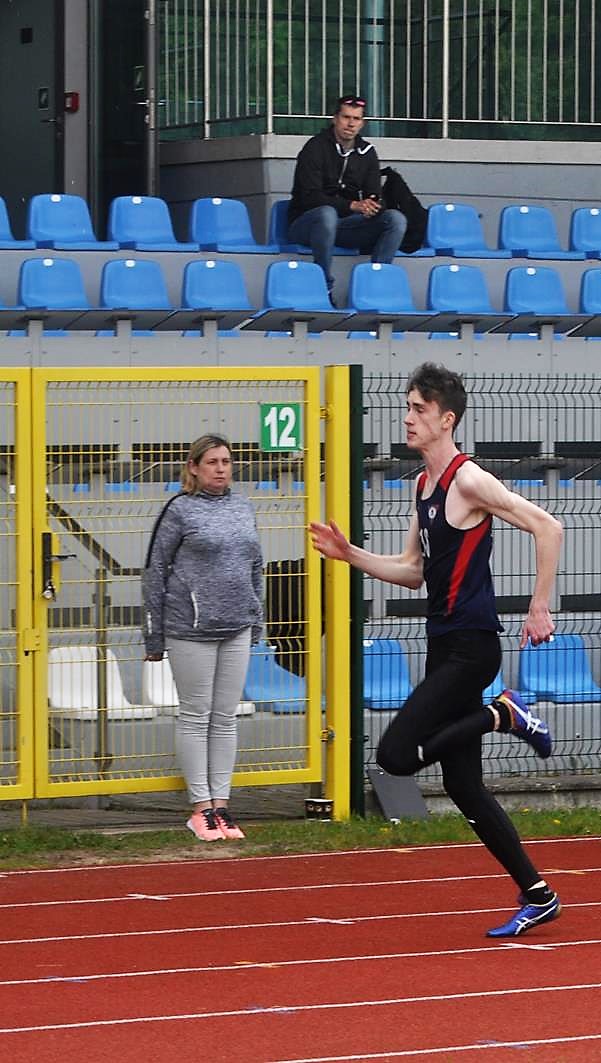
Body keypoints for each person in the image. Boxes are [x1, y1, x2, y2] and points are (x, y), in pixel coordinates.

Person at [310, 362, 565, 939]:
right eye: (407, 407)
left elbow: (548, 528)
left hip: (472, 649)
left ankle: (503, 714)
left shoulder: (467, 480)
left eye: (418, 409)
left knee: (396, 756)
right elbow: (412, 572)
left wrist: (539, 605)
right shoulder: (422, 485)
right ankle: (538, 894)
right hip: (443, 645)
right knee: (463, 786)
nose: (407, 418)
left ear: (446, 420)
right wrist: (350, 555)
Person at [143, 434, 264, 842]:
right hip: (190, 630)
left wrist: (256, 620)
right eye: (212, 462)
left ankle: (222, 807)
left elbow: (255, 566)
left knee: (225, 717)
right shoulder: (178, 510)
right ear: (193, 467)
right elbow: (155, 572)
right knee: (196, 715)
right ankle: (201, 809)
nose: (221, 469)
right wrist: (153, 637)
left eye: (226, 461)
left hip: (237, 627)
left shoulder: (243, 507)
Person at [285, 93, 407, 298]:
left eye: (356, 119)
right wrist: (352, 205)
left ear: (362, 123)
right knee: (326, 214)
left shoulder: (367, 152)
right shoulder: (315, 147)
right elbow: (309, 198)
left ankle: (374, 288)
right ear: (335, 119)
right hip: (307, 225)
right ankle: (323, 287)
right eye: (346, 117)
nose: (351, 124)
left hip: (345, 226)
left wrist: (372, 206)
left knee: (395, 219)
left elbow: (374, 194)